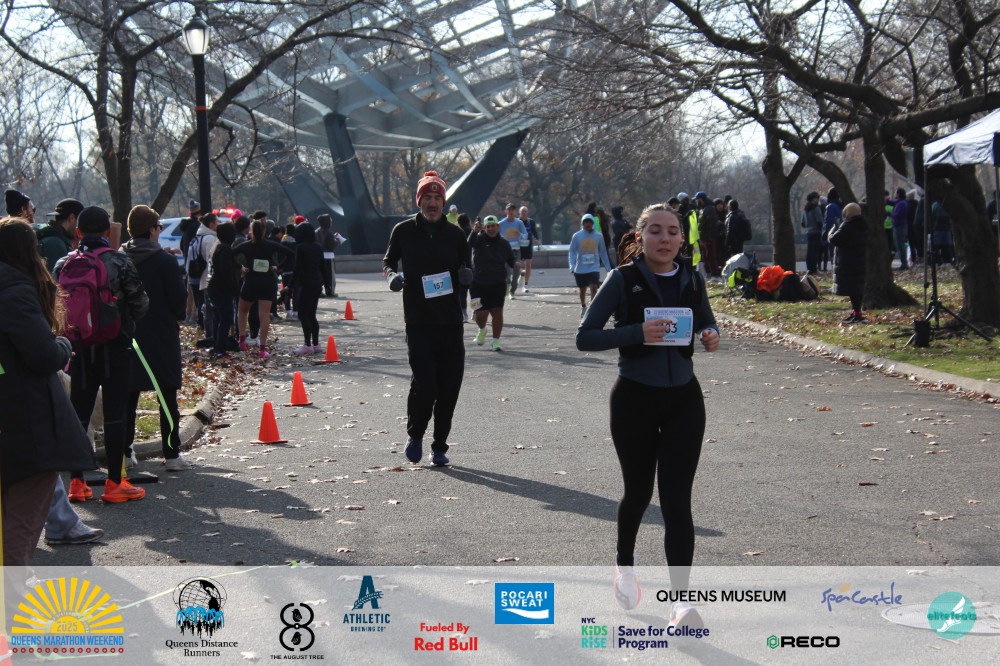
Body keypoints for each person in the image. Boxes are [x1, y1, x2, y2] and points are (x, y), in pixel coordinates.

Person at [575, 203, 719, 628]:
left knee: (676, 501)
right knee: (638, 493)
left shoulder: (692, 277)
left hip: (684, 400)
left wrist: (710, 335)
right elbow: (585, 337)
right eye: (655, 231)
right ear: (640, 237)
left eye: (672, 231)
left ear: (681, 238)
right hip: (634, 399)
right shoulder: (622, 279)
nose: (665, 238)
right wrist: (637, 332)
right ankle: (625, 563)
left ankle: (681, 603)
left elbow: (706, 322)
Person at [0, 218, 99, 564]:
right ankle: (12, 594)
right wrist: (62, 345)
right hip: (26, 418)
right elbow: (41, 355)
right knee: (22, 522)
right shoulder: (16, 291)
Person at [55, 206, 149, 503]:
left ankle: (77, 483)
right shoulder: (119, 261)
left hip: (79, 348)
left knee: (79, 413)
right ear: (108, 231)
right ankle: (114, 483)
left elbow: (55, 305)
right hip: (115, 346)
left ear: (78, 232)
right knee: (115, 412)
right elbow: (140, 303)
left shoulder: (64, 264)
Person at [382, 171, 472, 467]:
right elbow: (388, 261)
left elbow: (467, 266)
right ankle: (415, 435)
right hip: (419, 321)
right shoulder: (404, 231)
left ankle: (440, 446)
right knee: (426, 384)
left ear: (443, 202)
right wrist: (392, 277)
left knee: (449, 387)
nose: (432, 203)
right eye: (427, 198)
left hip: (450, 322)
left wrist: (467, 276)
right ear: (419, 201)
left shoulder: (456, 234)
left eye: (437, 198)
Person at [121, 205, 191, 472]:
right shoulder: (164, 261)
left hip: (127, 335)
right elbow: (178, 302)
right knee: (166, 395)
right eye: (158, 227)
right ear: (151, 229)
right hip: (161, 333)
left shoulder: (119, 259)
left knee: (127, 396)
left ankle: (125, 451)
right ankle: (171, 453)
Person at [234, 219, 295, 360]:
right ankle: (262, 349)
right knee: (264, 315)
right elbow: (291, 253)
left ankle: (241, 341)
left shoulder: (246, 245)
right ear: (264, 231)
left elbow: (230, 254)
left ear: (251, 230)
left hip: (251, 281)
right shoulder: (271, 245)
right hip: (267, 282)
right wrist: (279, 267)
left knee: (242, 310)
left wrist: (240, 267)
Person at [469, 215, 517, 350]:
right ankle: (482, 329)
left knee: (497, 312)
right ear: (484, 227)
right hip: (477, 283)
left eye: (493, 226)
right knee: (479, 314)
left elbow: (511, 260)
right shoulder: (478, 239)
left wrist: (516, 264)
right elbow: (469, 244)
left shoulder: (504, 243)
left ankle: (496, 341)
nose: (491, 228)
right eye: (488, 226)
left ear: (498, 226)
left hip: (498, 283)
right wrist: (474, 232)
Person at [828, 202, 868, 324]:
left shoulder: (847, 226)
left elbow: (835, 239)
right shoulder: (864, 225)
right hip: (860, 261)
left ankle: (857, 314)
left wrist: (830, 234)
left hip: (848, 262)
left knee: (853, 290)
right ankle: (856, 312)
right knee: (857, 290)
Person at [206, 222, 241, 359]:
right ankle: (221, 348)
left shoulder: (219, 247)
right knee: (226, 318)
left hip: (214, 287)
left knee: (218, 318)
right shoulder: (225, 249)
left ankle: (217, 346)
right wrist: (234, 287)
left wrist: (239, 267)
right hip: (222, 288)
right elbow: (226, 271)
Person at [291, 222, 325, 355]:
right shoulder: (318, 246)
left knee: (302, 314)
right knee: (312, 314)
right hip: (317, 283)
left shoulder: (301, 247)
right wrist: (326, 284)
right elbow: (323, 266)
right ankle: (316, 344)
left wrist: (290, 285)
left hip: (306, 283)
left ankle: (307, 344)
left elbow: (297, 268)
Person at [569, 213, 611, 315]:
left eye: (590, 222)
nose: (588, 224)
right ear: (582, 223)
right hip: (580, 268)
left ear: (593, 223)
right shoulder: (577, 236)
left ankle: (592, 311)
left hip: (593, 267)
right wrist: (572, 266)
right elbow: (572, 252)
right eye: (586, 222)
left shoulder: (598, 236)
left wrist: (608, 268)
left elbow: (603, 252)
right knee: (582, 291)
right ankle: (583, 306)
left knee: (593, 288)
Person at [37, 198, 84, 272]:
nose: (81, 227)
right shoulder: (56, 244)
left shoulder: (52, 237)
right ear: (72, 217)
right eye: (80, 221)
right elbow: (55, 277)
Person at [497, 203, 527, 297]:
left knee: (516, 271)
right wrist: (501, 238)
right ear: (506, 211)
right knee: (506, 271)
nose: (510, 211)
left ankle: (512, 291)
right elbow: (495, 235)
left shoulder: (519, 223)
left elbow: (525, 236)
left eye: (512, 210)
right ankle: (507, 284)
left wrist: (519, 234)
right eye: (509, 210)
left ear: (515, 212)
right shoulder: (501, 223)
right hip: (505, 251)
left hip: (516, 250)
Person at [315, 213, 343, 298]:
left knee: (321, 274)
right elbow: (332, 245)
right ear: (326, 222)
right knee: (330, 275)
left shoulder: (316, 231)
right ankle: (330, 291)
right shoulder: (329, 233)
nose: (331, 222)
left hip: (319, 255)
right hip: (328, 256)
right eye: (330, 221)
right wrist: (337, 240)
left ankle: (319, 291)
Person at [801, 192, 824, 275]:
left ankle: (809, 268)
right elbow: (819, 220)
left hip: (808, 232)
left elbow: (803, 223)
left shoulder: (805, 209)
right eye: (817, 198)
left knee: (809, 251)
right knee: (815, 251)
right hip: (816, 231)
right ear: (813, 199)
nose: (818, 200)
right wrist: (822, 228)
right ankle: (814, 269)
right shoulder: (816, 208)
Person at [517, 206, 539, 292]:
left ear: (527, 212)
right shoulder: (516, 222)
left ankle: (525, 285)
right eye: (522, 211)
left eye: (525, 211)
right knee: (515, 263)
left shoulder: (531, 222)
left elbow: (534, 232)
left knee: (528, 264)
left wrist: (536, 239)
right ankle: (521, 272)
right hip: (518, 245)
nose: (524, 213)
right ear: (519, 213)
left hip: (528, 244)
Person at [822, 187, 842, 272]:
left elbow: (829, 222)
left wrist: (825, 234)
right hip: (842, 231)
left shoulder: (830, 207)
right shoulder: (841, 206)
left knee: (833, 254)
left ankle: (835, 271)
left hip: (833, 233)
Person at [891, 187, 910, 270]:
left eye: (896, 192)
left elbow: (897, 215)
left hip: (900, 226)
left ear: (899, 194)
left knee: (900, 245)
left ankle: (904, 263)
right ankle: (903, 263)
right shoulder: (900, 202)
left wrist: (889, 213)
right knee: (899, 244)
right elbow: (892, 202)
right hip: (899, 225)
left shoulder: (902, 204)